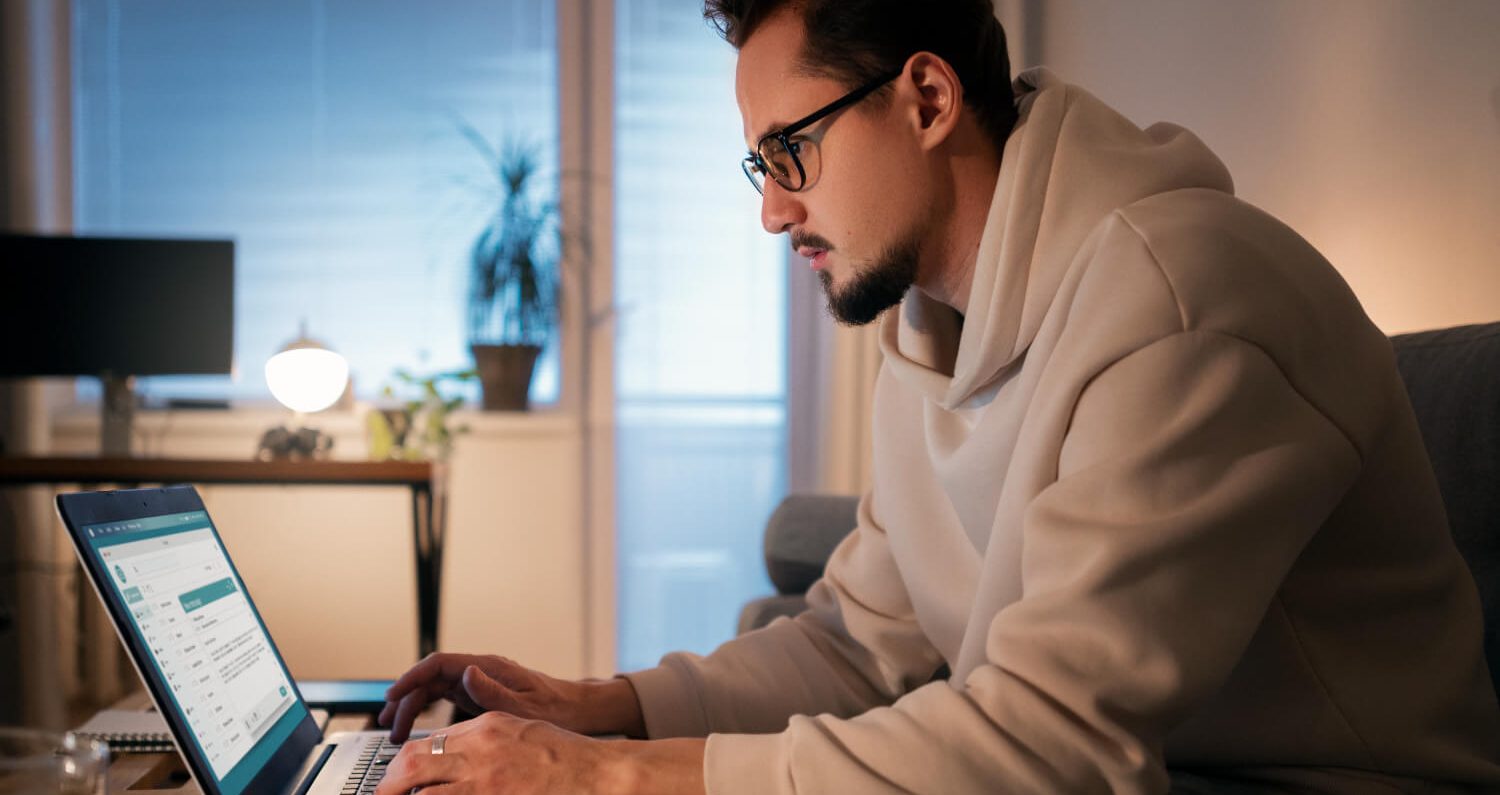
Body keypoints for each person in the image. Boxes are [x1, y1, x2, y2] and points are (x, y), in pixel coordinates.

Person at [374, 1, 1500, 792]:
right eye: (757, 164)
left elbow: (1056, 750)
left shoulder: (1183, 297)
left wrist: (615, 780)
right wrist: (605, 709)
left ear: (924, 96)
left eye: (791, 152)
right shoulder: (931, 324)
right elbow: (861, 645)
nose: (772, 211)